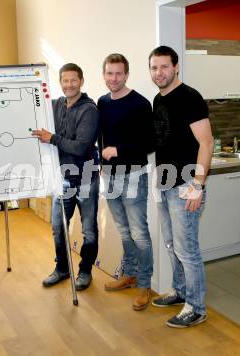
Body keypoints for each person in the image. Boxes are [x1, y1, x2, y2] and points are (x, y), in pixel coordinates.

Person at [149, 46, 213, 328]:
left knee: (187, 250)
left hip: (187, 184)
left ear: (176, 67)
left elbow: (206, 143)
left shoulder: (190, 97)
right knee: (172, 244)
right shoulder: (157, 99)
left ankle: (196, 307)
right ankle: (180, 292)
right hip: (164, 182)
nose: (158, 72)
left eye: (164, 67)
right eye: (154, 67)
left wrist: (197, 185)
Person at [33, 63, 100, 291]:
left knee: (88, 230)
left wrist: (52, 138)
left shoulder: (89, 110)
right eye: (65, 80)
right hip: (62, 177)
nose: (69, 85)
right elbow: (35, 111)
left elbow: (81, 147)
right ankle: (62, 269)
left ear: (81, 81)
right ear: (60, 82)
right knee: (58, 227)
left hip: (85, 178)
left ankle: (85, 271)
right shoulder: (57, 104)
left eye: (73, 80)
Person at [98, 53, 154, 311]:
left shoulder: (140, 104)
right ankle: (129, 274)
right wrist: (101, 164)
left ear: (127, 74)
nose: (114, 78)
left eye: (119, 73)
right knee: (123, 231)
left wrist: (118, 150)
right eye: (110, 73)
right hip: (109, 176)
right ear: (104, 74)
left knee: (139, 233)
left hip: (133, 175)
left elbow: (150, 143)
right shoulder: (102, 102)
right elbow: (101, 138)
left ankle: (144, 285)